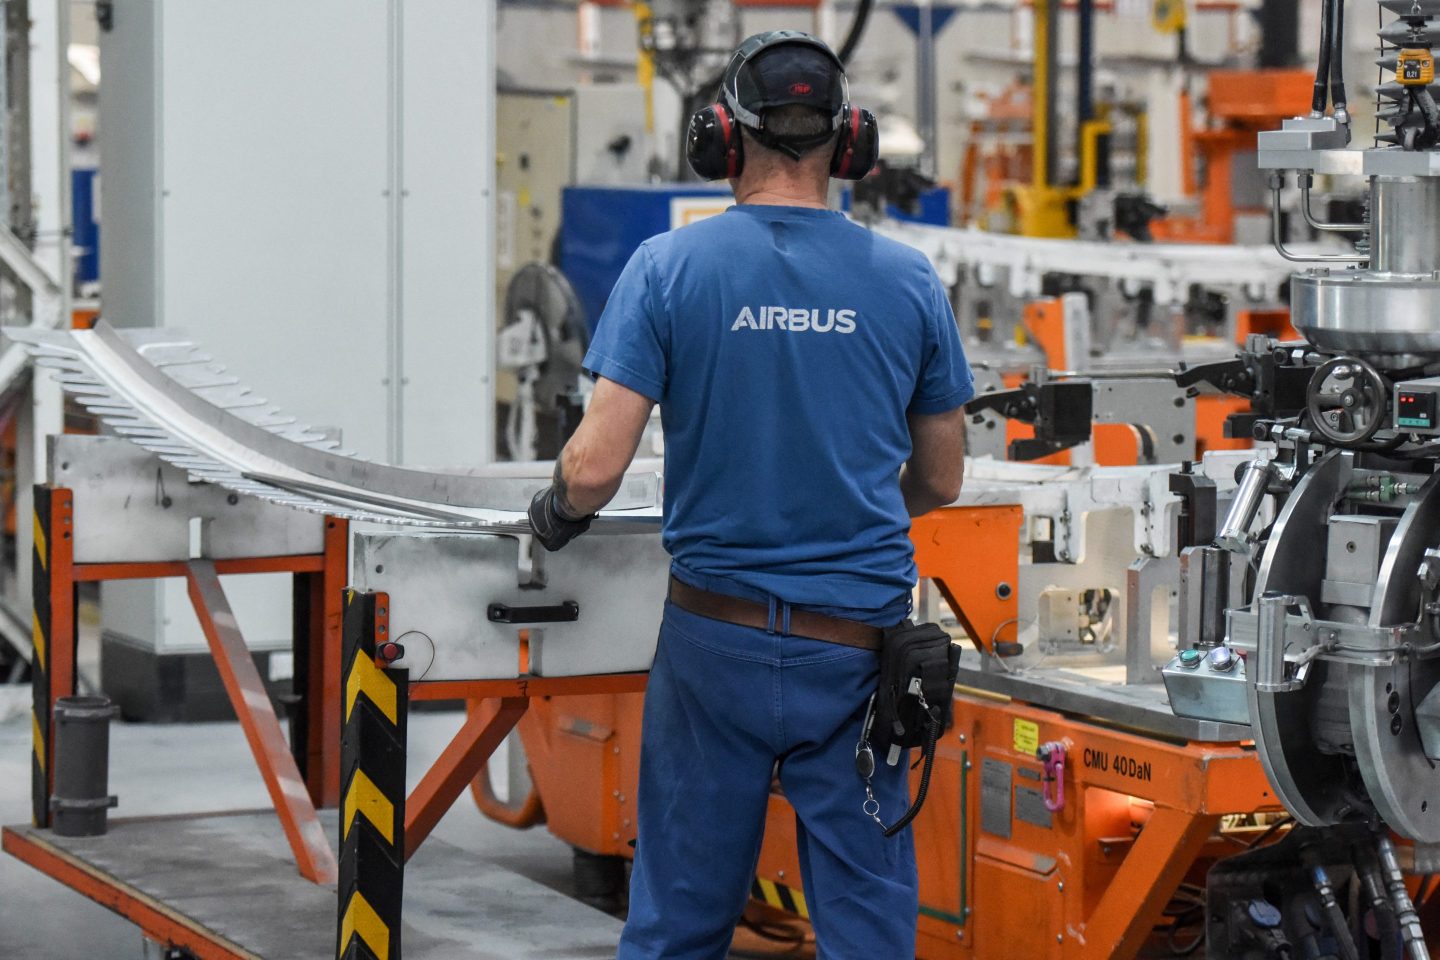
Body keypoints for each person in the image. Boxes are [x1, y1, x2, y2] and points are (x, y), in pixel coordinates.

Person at [527, 30, 973, 960]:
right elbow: (941, 477)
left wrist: (554, 518)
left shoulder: (668, 268)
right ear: (849, 144)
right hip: (855, 653)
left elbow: (594, 466)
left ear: (721, 139)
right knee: (867, 931)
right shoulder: (908, 281)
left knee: (678, 923)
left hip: (713, 645)